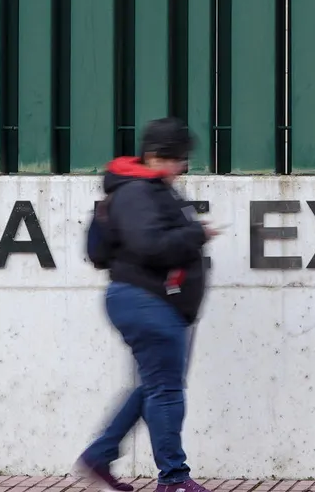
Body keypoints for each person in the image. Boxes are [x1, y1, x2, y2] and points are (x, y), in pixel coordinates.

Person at [73, 118, 218, 492]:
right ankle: (174, 479)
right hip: (146, 302)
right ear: (155, 156)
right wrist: (196, 234)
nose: (182, 166)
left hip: (153, 303)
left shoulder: (150, 189)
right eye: (176, 158)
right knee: (167, 391)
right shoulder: (138, 192)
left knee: (153, 387)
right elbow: (149, 244)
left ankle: (99, 455)